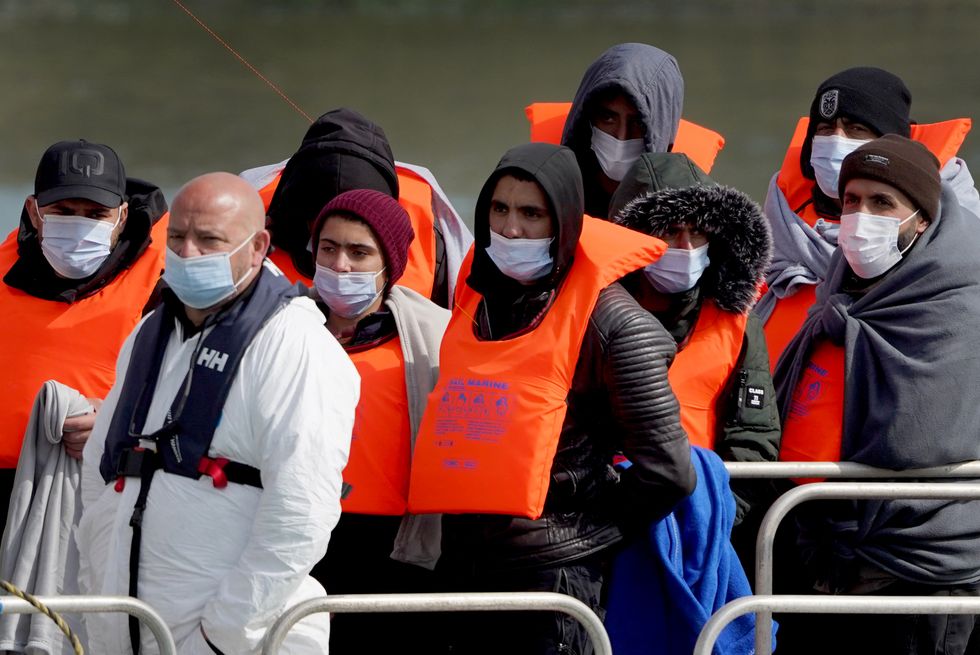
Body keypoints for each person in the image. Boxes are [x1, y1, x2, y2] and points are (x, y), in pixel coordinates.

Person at [407, 142, 696, 654]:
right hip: (463, 562)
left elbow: (669, 472)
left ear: (562, 221)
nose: (510, 229)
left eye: (531, 214)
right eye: (499, 210)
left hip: (554, 582)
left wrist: (581, 536)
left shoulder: (616, 324)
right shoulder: (478, 299)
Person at [77, 172, 358, 654]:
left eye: (209, 240)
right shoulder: (149, 332)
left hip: (233, 639)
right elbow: (100, 466)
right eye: (178, 238)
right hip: (130, 626)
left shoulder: (297, 346)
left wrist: (223, 634)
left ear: (258, 246)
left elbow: (301, 511)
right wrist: (95, 587)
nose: (188, 254)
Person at [772, 135, 980, 655]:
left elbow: (919, 441)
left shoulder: (958, 309)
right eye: (851, 201)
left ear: (923, 220)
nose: (861, 217)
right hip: (819, 553)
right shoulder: (836, 298)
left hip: (919, 574)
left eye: (882, 203)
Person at [608, 152, 779, 553]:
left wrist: (710, 521)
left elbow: (755, 443)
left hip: (703, 528)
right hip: (609, 525)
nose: (684, 246)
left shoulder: (740, 324)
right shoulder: (591, 316)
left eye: (697, 232)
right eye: (669, 231)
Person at [755, 66, 980, 368]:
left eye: (856, 128)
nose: (836, 140)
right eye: (824, 129)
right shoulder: (776, 233)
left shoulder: (954, 257)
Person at [305, 189, 450, 653]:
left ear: (390, 264)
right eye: (328, 248)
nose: (341, 265)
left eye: (359, 252)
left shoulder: (436, 335)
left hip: (397, 551)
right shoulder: (285, 326)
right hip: (301, 539)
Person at [0, 139, 167, 536]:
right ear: (34, 212)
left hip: (106, 486)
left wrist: (117, 419)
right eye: (62, 212)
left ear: (122, 216)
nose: (78, 225)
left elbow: (193, 396)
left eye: (95, 214)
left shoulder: (166, 289)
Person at [240, 107, 472, 307]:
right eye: (322, 228)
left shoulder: (435, 241)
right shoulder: (247, 226)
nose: (341, 266)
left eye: (358, 249)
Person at [524, 42, 724, 219]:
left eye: (638, 123)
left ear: (662, 127)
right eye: (608, 117)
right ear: (587, 119)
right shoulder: (532, 200)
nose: (621, 137)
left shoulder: (697, 223)